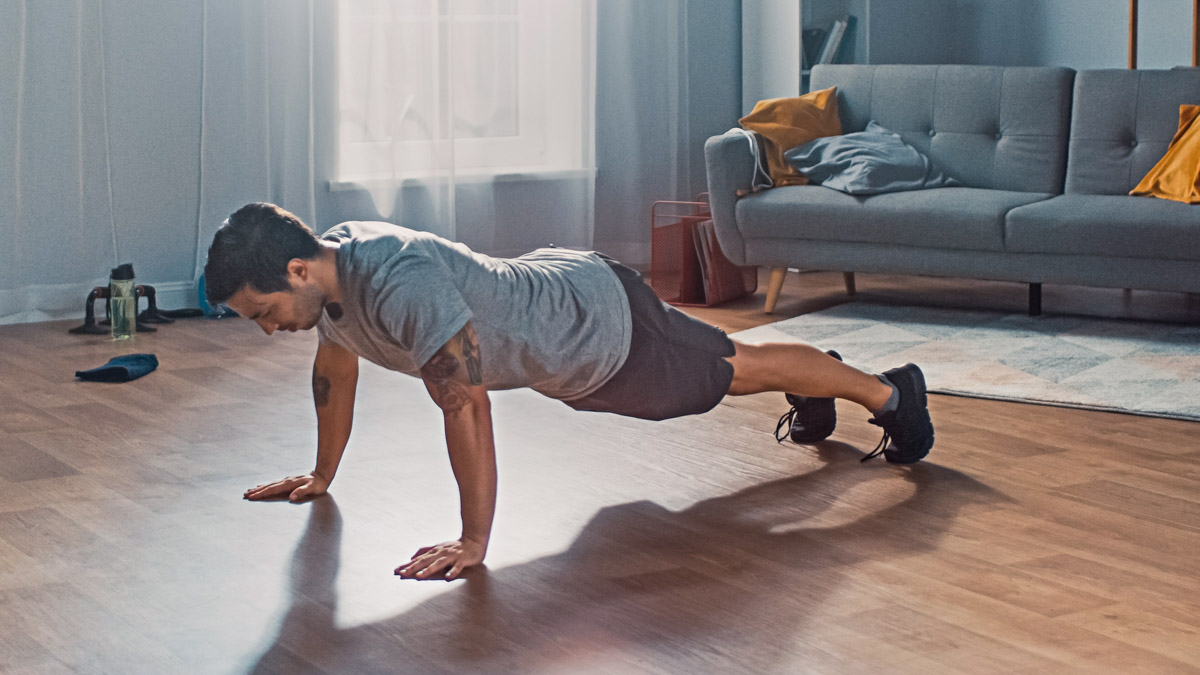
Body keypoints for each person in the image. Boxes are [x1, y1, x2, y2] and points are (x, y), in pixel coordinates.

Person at [205, 203, 934, 581]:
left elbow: (466, 403)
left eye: (263, 312)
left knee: (736, 367)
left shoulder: (398, 283)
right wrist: (323, 472)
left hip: (600, 329)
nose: (269, 329)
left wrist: (473, 540)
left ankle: (889, 392)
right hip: (566, 332)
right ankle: (812, 376)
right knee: (733, 363)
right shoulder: (330, 276)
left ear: (297, 270)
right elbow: (335, 369)